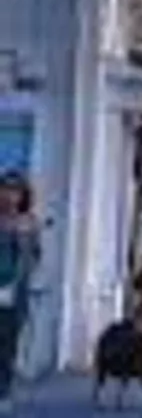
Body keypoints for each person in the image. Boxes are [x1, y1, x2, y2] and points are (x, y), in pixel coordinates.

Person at [0, 173, 41, 415]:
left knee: (6, 345)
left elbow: (33, 258)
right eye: (5, 189)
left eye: (15, 191)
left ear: (24, 196)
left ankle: (3, 393)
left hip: (13, 293)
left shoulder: (29, 223)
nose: (9, 195)